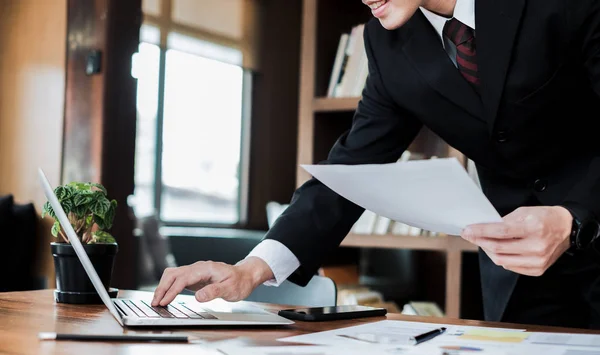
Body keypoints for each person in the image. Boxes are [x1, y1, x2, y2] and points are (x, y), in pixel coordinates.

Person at [152, 0, 600, 329]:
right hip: (520, 273)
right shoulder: (386, 42)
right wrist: (250, 270)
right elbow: (349, 173)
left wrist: (572, 216)